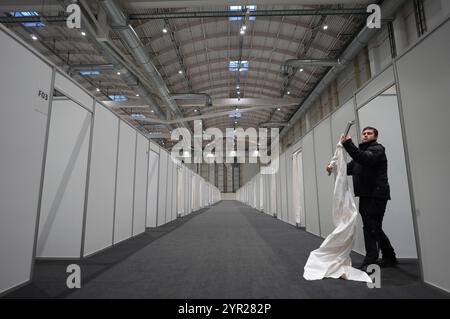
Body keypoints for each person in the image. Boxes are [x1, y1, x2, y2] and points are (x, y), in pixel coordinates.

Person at [326, 126, 397, 270]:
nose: (365, 135)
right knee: (373, 227)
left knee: (371, 228)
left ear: (375, 136)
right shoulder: (361, 153)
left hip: (376, 195)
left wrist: (347, 144)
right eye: (364, 133)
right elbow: (348, 169)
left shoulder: (377, 149)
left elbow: (365, 159)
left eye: (369, 133)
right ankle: (390, 256)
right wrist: (333, 167)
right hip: (366, 195)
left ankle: (370, 261)